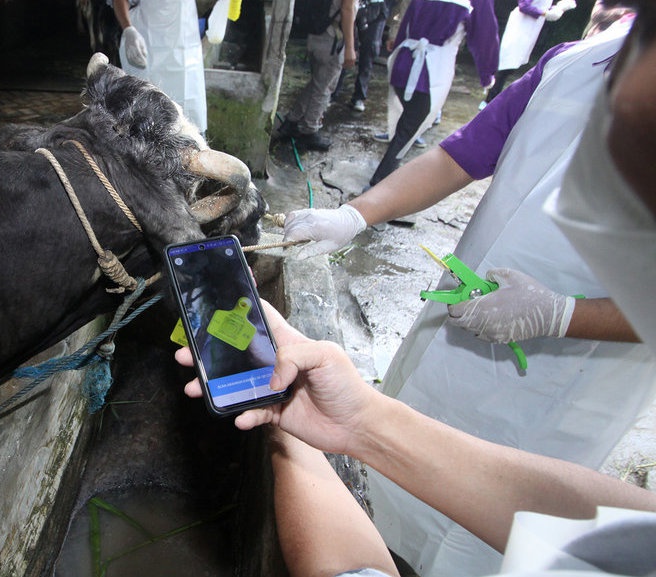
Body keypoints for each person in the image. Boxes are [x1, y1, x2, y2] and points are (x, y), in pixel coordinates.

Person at [174, 10, 656, 570]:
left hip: (565, 378)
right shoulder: (571, 61)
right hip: (459, 321)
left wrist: (563, 314)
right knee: (394, 474)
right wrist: (353, 215)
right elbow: (461, 152)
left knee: (486, 537)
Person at [368, 0, 498, 187]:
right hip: (430, 72)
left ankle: (385, 175)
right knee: (407, 130)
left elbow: (407, 21)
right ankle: (378, 183)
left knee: (407, 124)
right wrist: (487, 75)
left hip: (404, 62)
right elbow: (485, 36)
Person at [112, 0, 208, 132]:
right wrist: (128, 29)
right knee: (146, 122)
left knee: (190, 126)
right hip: (148, 48)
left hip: (186, 52)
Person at [275, 0, 358, 151]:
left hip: (316, 34)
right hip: (331, 40)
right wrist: (350, 47)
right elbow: (347, 9)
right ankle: (309, 130)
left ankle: (292, 120)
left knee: (317, 83)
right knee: (325, 87)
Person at [482, 0, 578, 105]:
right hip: (521, 25)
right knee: (507, 63)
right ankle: (489, 100)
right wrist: (545, 13)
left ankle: (495, 99)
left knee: (513, 65)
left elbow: (539, 6)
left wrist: (558, 8)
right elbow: (524, 6)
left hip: (531, 27)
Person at [334, 0, 393, 112]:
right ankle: (333, 91)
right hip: (354, 5)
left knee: (370, 50)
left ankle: (359, 96)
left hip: (378, 6)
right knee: (347, 45)